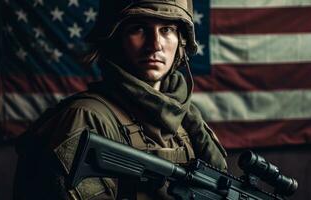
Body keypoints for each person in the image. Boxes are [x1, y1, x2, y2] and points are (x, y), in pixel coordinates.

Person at [13, 0, 228, 199]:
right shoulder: (86, 117)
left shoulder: (187, 121)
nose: (155, 45)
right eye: (138, 28)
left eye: (167, 30)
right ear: (115, 39)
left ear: (180, 43)